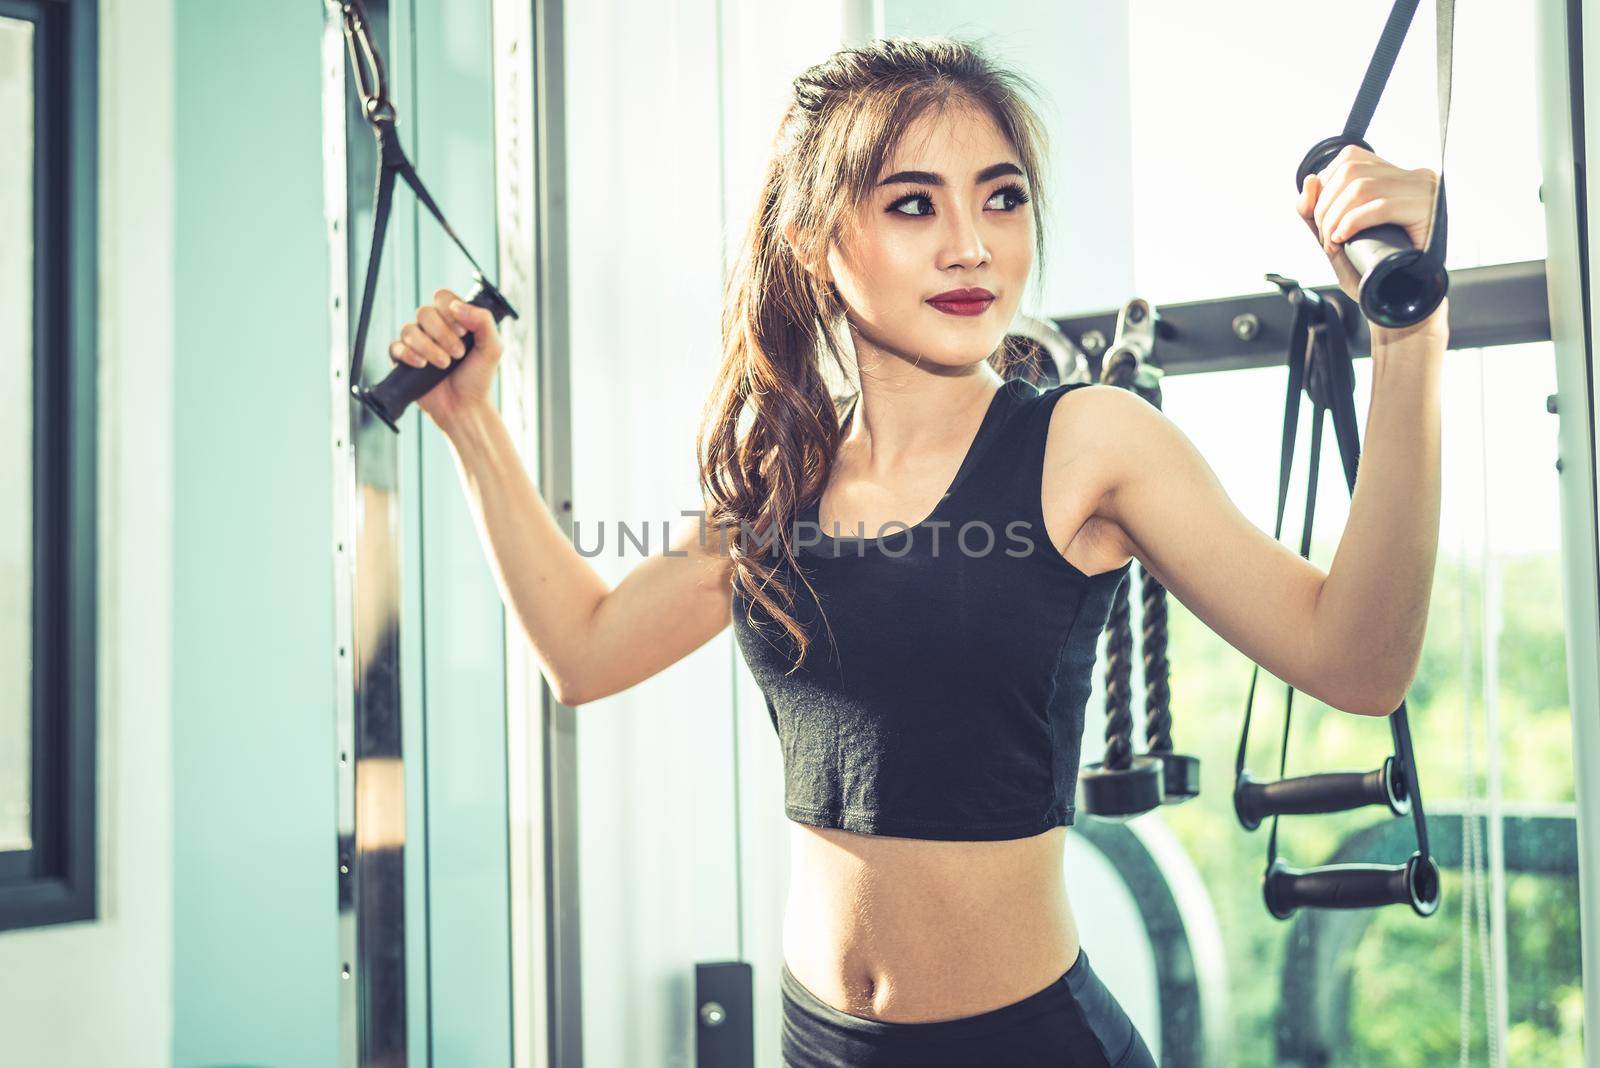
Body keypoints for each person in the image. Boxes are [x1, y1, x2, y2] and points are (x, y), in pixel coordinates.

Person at [384, 35, 1446, 1068]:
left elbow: (1354, 660)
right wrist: (472, 422)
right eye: (911, 204)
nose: (970, 245)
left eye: (1000, 196)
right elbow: (585, 649)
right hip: (814, 1042)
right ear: (812, 241)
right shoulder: (780, 472)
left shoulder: (1086, 442)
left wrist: (1408, 337)